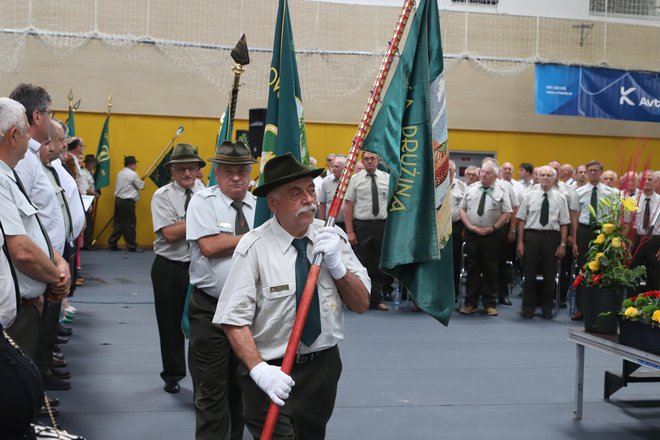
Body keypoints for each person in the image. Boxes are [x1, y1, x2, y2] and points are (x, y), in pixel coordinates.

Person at [215, 153, 370, 440]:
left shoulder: (331, 238)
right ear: (273, 203)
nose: (308, 199)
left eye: (310, 190)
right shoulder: (254, 247)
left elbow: (361, 303)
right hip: (271, 369)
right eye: (295, 193)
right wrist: (259, 370)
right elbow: (232, 319)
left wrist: (338, 268)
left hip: (322, 369)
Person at [186, 140, 256, 440]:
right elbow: (210, 246)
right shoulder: (203, 201)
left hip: (249, 312)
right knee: (211, 392)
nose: (236, 177)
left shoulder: (261, 205)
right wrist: (256, 237)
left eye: (242, 170)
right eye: (228, 171)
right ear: (216, 173)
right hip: (211, 310)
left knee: (242, 389)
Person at [150, 143, 205, 395]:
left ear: (198, 170)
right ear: (172, 171)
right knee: (169, 324)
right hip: (169, 268)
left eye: (191, 168)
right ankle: (172, 374)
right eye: (181, 169)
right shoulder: (161, 196)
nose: (187, 174)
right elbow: (170, 234)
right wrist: (201, 218)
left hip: (200, 268)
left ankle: (201, 380)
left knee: (201, 326)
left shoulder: (208, 193)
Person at [458, 160, 512, 316]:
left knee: (490, 268)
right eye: (482, 172)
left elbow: (507, 212)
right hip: (472, 233)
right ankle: (470, 303)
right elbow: (462, 209)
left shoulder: (501, 190)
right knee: (472, 268)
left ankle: (489, 303)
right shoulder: (471, 188)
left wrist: (493, 228)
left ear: (495, 176)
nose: (483, 175)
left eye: (487, 173)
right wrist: (468, 225)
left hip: (492, 235)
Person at [516, 166, 570, 319]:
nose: (546, 178)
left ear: (554, 178)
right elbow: (521, 220)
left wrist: (563, 244)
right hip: (531, 236)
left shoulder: (561, 198)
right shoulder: (529, 195)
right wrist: (520, 242)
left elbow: (564, 223)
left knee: (549, 275)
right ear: (537, 177)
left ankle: (547, 308)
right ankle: (528, 307)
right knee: (529, 274)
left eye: (549, 175)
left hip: (552, 237)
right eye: (543, 175)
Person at [570, 160, 617, 320]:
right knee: (583, 270)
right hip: (584, 231)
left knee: (602, 270)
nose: (592, 173)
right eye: (589, 170)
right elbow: (574, 216)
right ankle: (581, 308)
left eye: (596, 170)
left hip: (602, 232)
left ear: (601, 173)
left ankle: (600, 308)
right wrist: (575, 240)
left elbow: (614, 216)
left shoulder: (611, 193)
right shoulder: (579, 191)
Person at [344, 151, 390, 311]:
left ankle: (376, 300)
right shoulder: (355, 180)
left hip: (381, 226)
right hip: (362, 226)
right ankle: (359, 300)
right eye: (366, 159)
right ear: (362, 161)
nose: (369, 161)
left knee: (378, 265)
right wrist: (350, 232)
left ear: (378, 160)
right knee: (360, 264)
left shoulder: (387, 179)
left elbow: (392, 204)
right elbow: (348, 206)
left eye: (372, 158)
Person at [630, 170, 659, 291]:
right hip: (636, 240)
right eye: (644, 179)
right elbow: (627, 224)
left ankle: (653, 307)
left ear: (656, 182)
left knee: (655, 276)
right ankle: (631, 306)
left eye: (650, 179)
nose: (647, 182)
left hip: (656, 242)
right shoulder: (632, 200)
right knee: (633, 276)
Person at [108, 156, 144, 252]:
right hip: (127, 201)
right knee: (130, 224)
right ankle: (132, 245)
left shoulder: (120, 173)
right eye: (135, 163)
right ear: (131, 164)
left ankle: (112, 242)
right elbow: (141, 186)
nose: (136, 165)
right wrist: (142, 182)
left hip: (119, 200)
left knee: (119, 223)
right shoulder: (133, 174)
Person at [449, 160, 467, 301]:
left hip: (455, 227)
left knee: (455, 260)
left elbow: (466, 208)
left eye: (450, 169)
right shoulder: (433, 184)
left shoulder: (461, 186)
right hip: (436, 228)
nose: (447, 171)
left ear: (454, 171)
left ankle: (454, 290)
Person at [318, 155, 347, 230]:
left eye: (336, 167)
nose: (333, 169)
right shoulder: (326, 181)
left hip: (349, 224)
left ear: (344, 168)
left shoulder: (352, 181)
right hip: (330, 224)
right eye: (333, 166)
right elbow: (322, 204)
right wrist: (321, 224)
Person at [80, 154, 99, 250]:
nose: (94, 165)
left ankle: (87, 242)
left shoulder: (88, 173)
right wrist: (95, 193)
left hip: (89, 199)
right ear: (89, 164)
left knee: (89, 222)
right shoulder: (84, 173)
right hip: (86, 200)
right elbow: (86, 188)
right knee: (88, 223)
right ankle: (86, 243)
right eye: (93, 163)